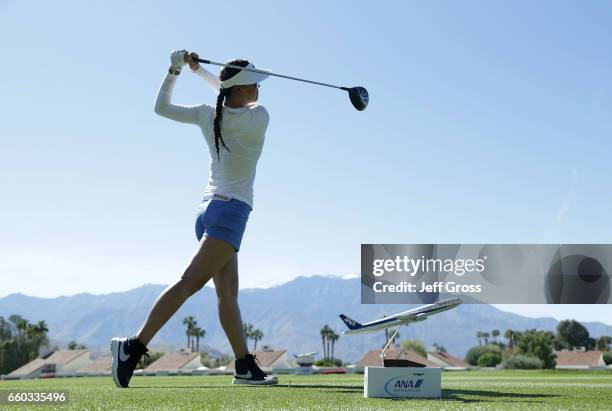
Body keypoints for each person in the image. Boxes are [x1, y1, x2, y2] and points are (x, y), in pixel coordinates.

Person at [110, 50, 276, 388]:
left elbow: (165, 107)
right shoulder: (259, 117)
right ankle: (133, 347)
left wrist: (180, 70)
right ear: (241, 88)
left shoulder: (207, 114)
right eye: (254, 83)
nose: (259, 89)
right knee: (190, 283)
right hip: (230, 213)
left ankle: (244, 365)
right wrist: (202, 73)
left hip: (208, 210)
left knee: (227, 293)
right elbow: (225, 89)